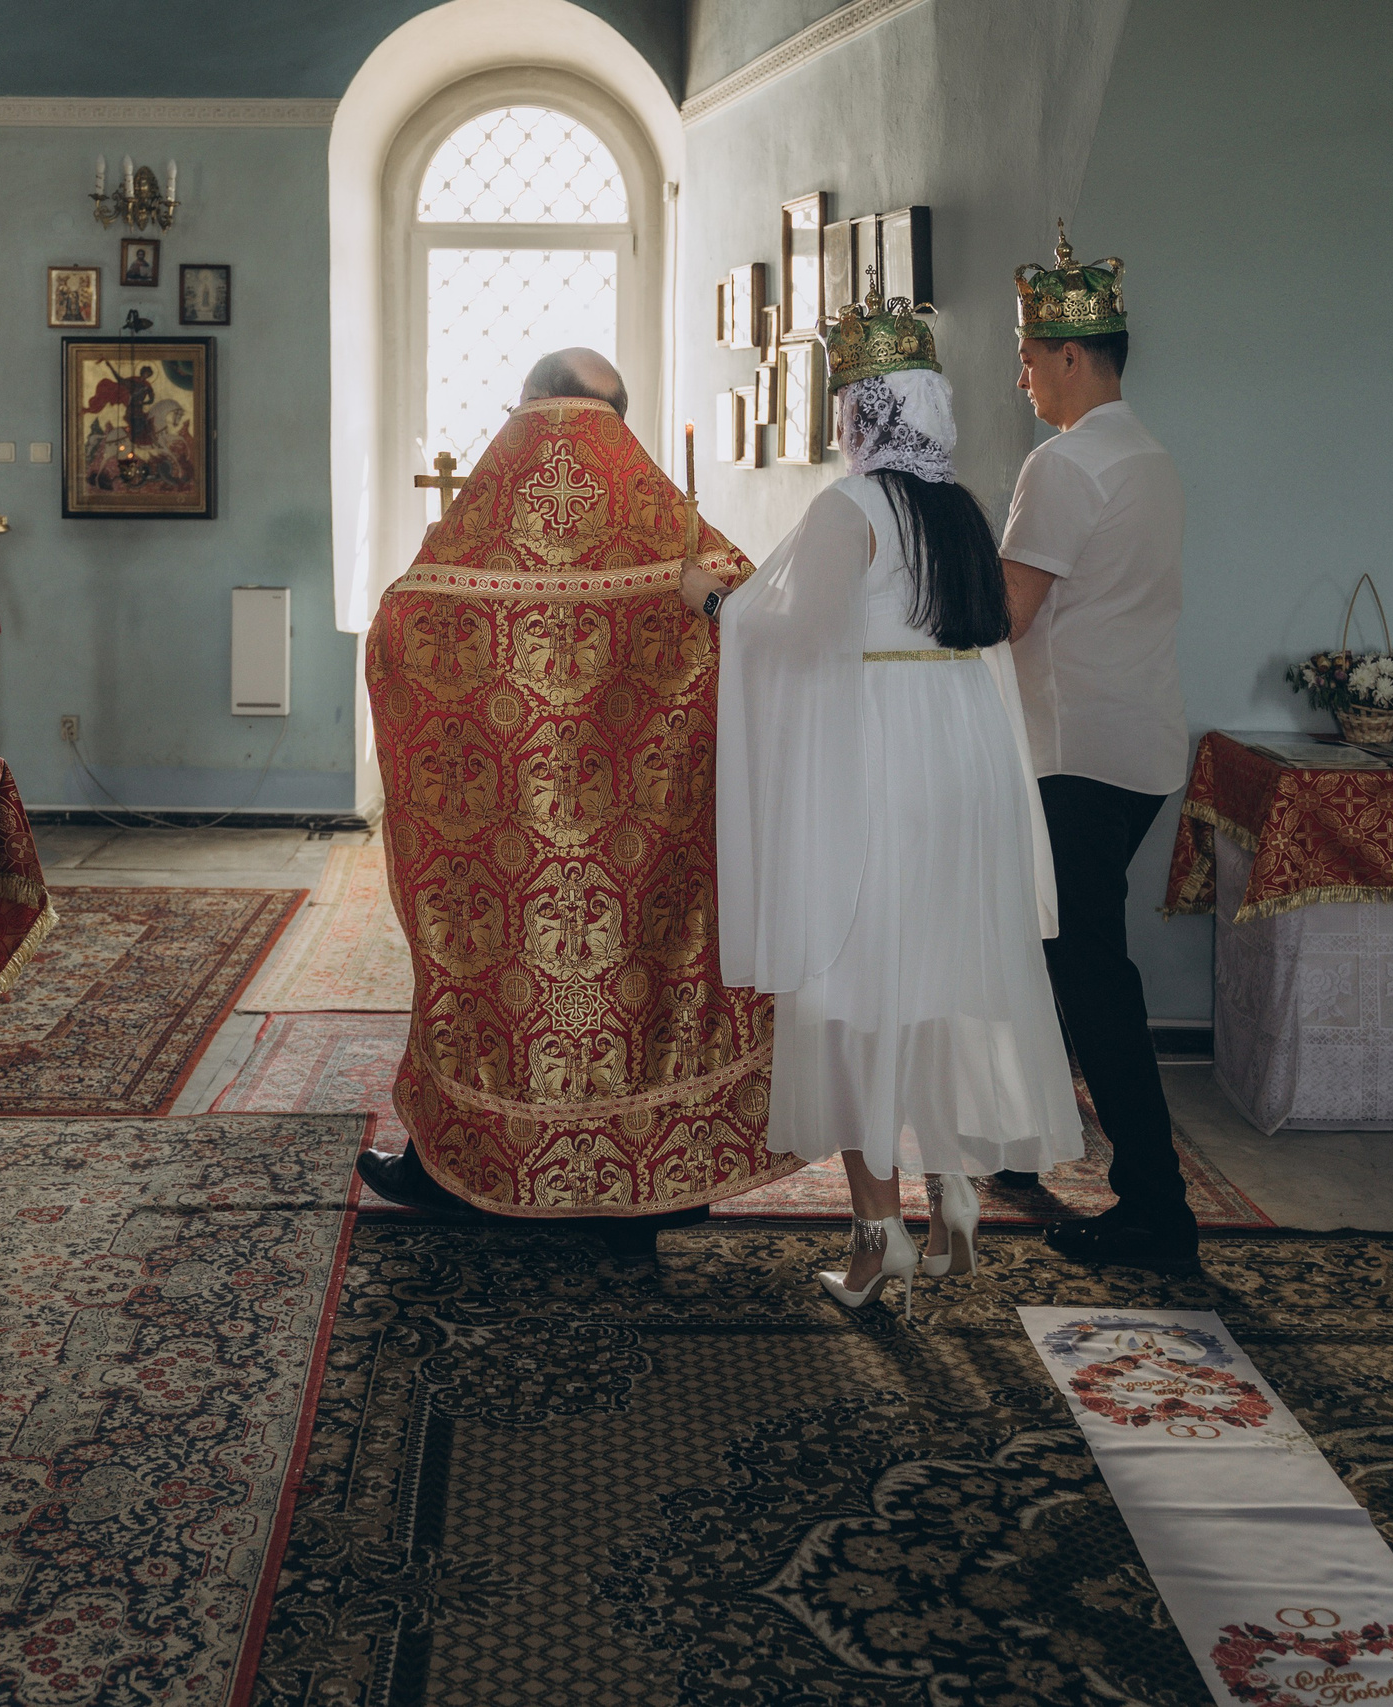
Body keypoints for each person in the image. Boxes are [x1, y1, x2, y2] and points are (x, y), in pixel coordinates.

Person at [355, 348, 802, 1219]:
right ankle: (661, 1181)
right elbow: (750, 619)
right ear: (621, 417)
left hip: (507, 830)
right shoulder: (664, 522)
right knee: (647, 973)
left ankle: (457, 1169)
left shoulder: (483, 520)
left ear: (524, 403)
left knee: (484, 975)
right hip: (644, 832)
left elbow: (400, 623)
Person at [706, 286, 1084, 1314]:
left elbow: (783, 631)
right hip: (959, 761)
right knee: (930, 980)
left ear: (864, 417)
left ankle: (879, 1238)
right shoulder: (958, 508)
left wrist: (709, 602)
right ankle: (951, 1191)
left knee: (852, 992)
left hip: (876, 762)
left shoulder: (849, 506)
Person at [1000, 223, 1196, 1277]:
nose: (1019, 373)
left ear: (1074, 355)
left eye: (1027, 354)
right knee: (1051, 956)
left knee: (1087, 974)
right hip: (1138, 746)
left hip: (1073, 751)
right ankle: (1020, 1139)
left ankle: (1155, 1208)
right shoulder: (1148, 455)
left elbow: (1006, 613)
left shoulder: (1065, 464)